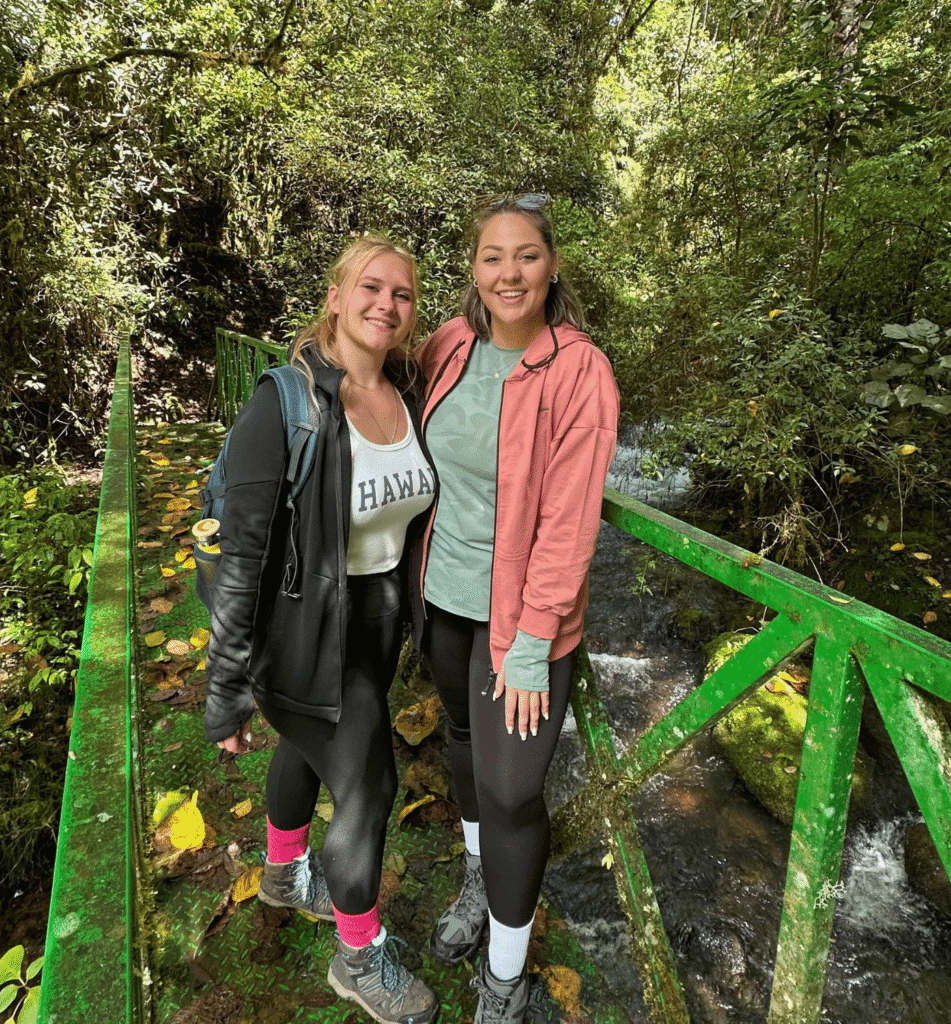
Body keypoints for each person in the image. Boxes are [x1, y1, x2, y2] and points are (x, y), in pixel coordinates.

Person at [203, 233, 439, 1024]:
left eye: (402, 294)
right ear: (336, 298)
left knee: (307, 747)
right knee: (369, 785)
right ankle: (358, 958)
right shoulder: (285, 402)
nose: (386, 304)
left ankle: (280, 875)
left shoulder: (405, 391)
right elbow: (242, 551)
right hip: (298, 633)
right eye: (371, 287)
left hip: (375, 624)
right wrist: (226, 686)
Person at [412, 195, 619, 1024]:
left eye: (526, 255)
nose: (509, 273)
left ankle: (505, 975)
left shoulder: (579, 370)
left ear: (552, 265)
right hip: (441, 598)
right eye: (492, 256)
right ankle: (478, 876)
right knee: (462, 744)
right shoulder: (449, 345)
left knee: (510, 793)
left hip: (522, 620)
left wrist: (533, 643)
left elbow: (570, 522)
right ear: (473, 268)